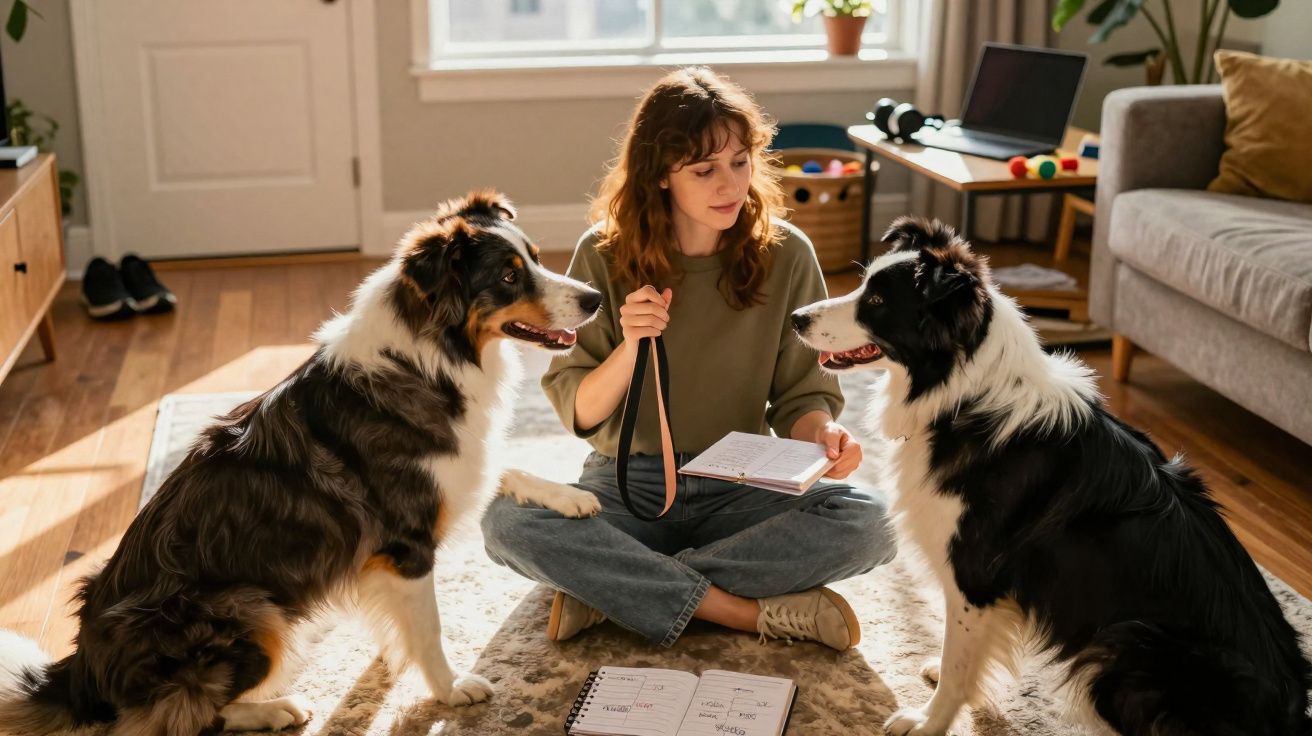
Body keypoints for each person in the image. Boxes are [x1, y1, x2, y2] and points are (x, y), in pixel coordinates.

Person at [482, 67, 896, 650]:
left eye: (740, 161)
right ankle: (744, 612)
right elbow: (581, 411)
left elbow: (802, 397)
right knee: (506, 523)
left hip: (743, 479)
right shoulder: (603, 253)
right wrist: (630, 346)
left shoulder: (787, 254)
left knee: (872, 522)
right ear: (660, 178)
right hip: (630, 483)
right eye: (705, 170)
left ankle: (615, 587)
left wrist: (825, 435)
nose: (731, 185)